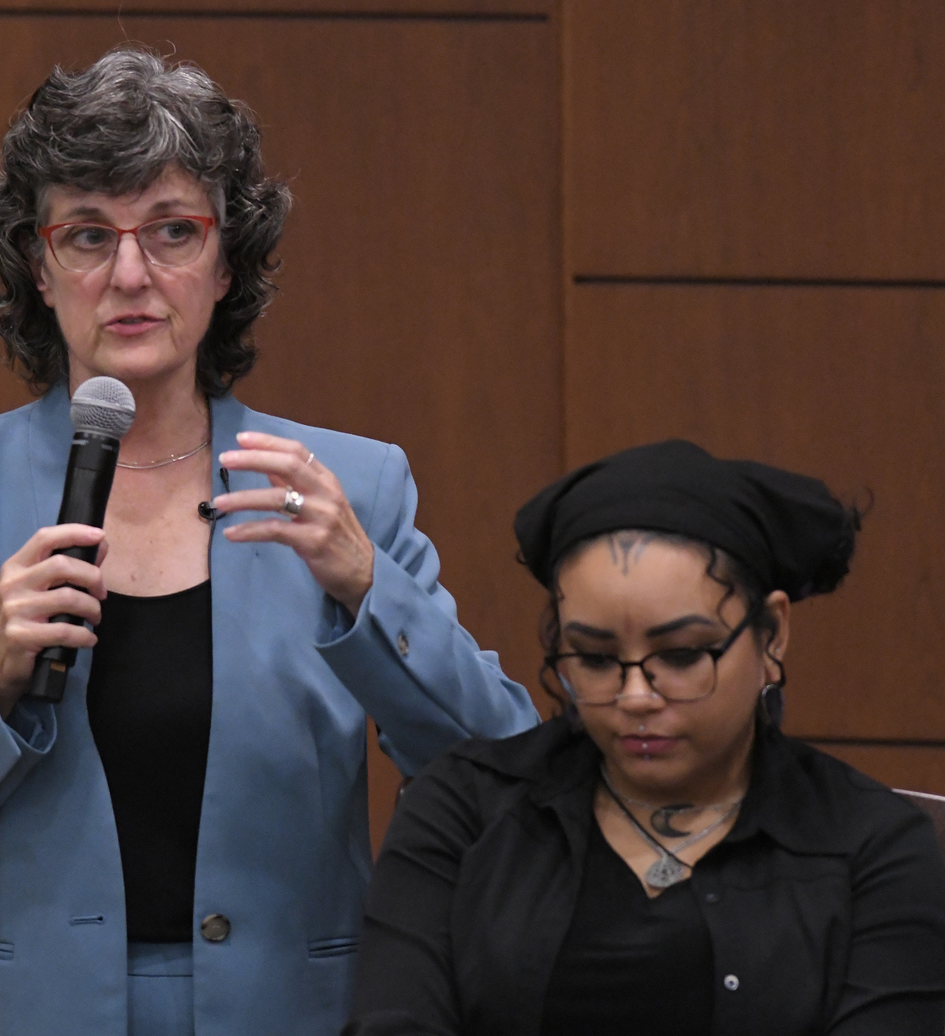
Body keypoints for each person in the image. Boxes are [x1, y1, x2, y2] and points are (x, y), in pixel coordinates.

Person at [0, 46, 537, 1036]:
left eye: (172, 230)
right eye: (86, 234)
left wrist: (368, 586)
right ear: (37, 264)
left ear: (225, 261)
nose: (130, 274)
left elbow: (504, 777)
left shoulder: (345, 487)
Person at [347, 439, 945, 1035]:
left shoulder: (872, 845)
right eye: (595, 658)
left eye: (682, 656)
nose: (635, 696)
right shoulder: (464, 811)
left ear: (772, 634)